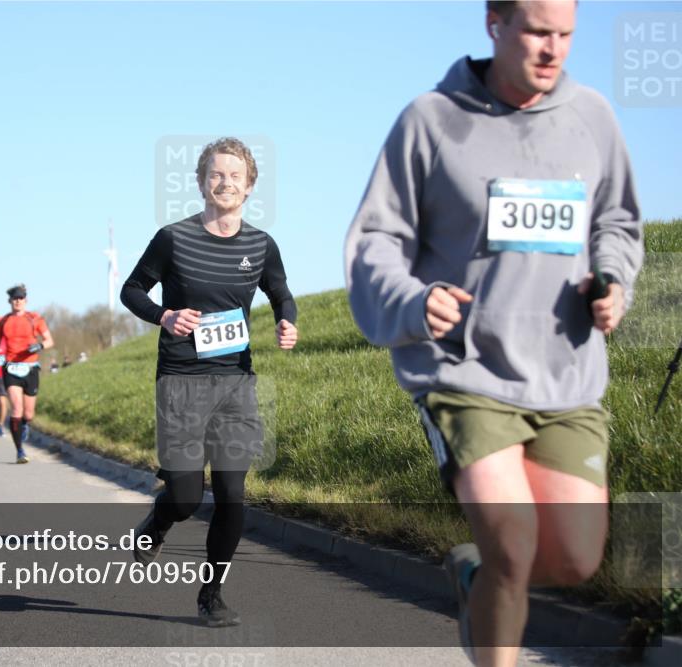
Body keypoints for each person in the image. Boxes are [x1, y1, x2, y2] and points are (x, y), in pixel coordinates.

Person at [343, 2, 643, 664]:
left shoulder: (591, 117)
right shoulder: (430, 122)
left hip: (565, 371)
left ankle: (475, 576)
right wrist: (416, 301)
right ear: (495, 23)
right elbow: (376, 243)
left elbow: (616, 220)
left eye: (566, 35)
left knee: (574, 557)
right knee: (513, 539)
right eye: (537, 32)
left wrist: (614, 279)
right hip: (465, 370)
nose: (553, 50)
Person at [121, 136, 298, 627]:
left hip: (235, 382)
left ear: (249, 187)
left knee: (231, 493)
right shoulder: (174, 238)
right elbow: (131, 289)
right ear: (201, 182)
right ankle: (158, 521)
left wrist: (287, 319)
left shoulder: (261, 245)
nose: (226, 183)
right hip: (180, 379)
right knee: (184, 497)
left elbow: (280, 292)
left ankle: (212, 594)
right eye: (216, 175)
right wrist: (164, 316)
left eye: (235, 176)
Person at [0, 284, 54, 463]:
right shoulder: (2, 321)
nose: (17, 302)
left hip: (31, 368)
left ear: (25, 300)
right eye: (14, 299)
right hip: (11, 367)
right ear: (10, 301)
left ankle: (24, 425)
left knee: (28, 414)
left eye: (20, 299)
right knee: (16, 408)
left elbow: (49, 340)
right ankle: (19, 451)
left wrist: (39, 346)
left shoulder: (35, 319)